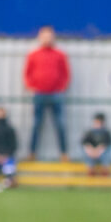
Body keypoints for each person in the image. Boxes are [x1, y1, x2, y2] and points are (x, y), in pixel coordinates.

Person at [23, 25, 71, 162]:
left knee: (60, 124)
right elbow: (27, 73)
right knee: (37, 124)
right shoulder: (34, 54)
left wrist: (61, 87)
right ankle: (32, 153)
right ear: (40, 37)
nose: (47, 39)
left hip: (56, 94)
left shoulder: (59, 55)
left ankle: (64, 153)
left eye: (49, 36)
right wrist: (31, 87)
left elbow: (65, 74)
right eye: (44, 36)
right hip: (39, 94)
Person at [80, 112, 111, 177]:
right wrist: (91, 150)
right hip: (91, 152)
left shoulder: (106, 132)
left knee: (109, 149)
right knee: (85, 149)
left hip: (101, 153)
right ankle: (90, 168)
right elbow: (85, 142)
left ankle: (105, 168)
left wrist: (98, 151)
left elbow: (105, 144)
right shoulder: (89, 132)